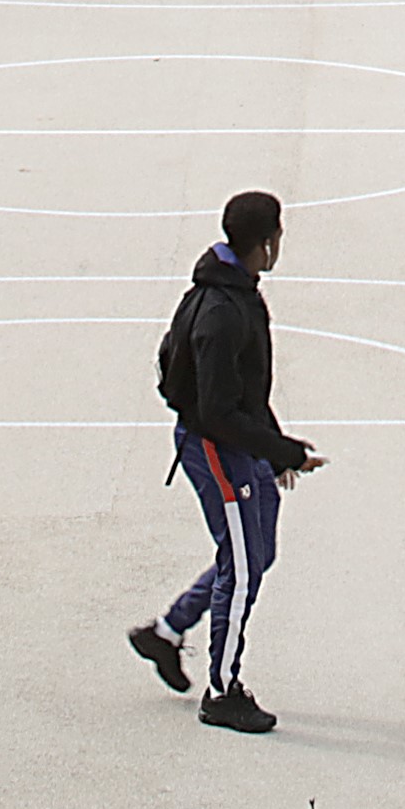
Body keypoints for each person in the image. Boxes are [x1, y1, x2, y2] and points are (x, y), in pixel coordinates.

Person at [132, 187, 322, 733]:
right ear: (266, 244)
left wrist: (276, 445)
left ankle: (166, 633)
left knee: (254, 553)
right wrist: (276, 449)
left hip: (241, 445)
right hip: (217, 450)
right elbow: (217, 411)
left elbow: (248, 391)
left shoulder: (238, 290)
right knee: (241, 565)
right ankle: (222, 689)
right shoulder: (221, 311)